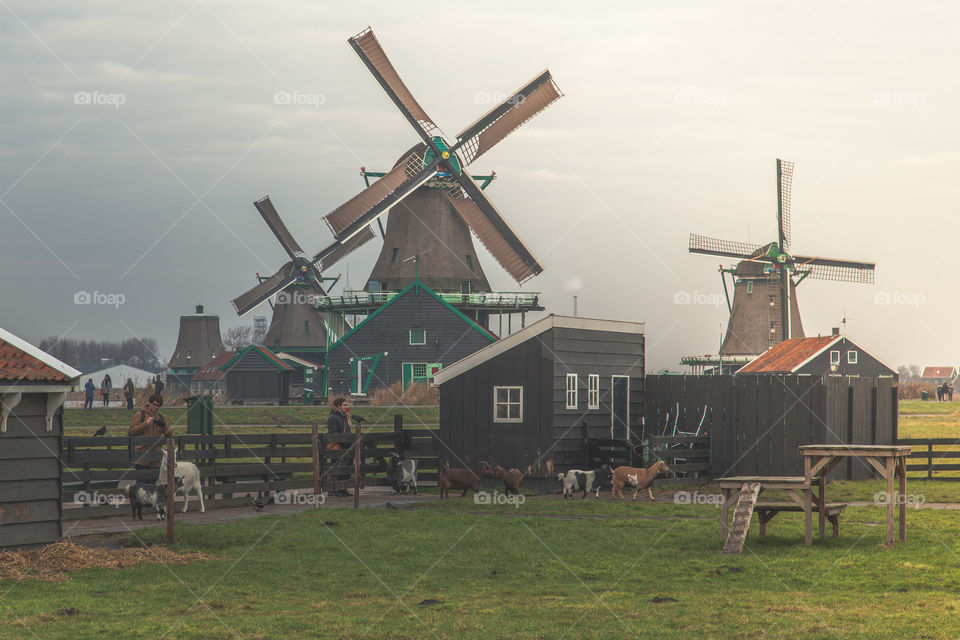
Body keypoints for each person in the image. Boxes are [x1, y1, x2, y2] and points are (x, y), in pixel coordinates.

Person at [129, 393, 173, 472]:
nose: (156, 407)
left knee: (154, 481)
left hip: (156, 456)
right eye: (154, 404)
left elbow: (169, 433)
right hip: (141, 456)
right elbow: (132, 431)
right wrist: (146, 423)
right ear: (149, 403)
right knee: (142, 482)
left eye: (158, 406)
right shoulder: (140, 415)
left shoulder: (161, 417)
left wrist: (163, 425)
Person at [326, 397, 352, 497]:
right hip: (337, 447)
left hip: (345, 446)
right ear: (338, 406)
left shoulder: (344, 417)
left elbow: (348, 431)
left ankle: (342, 489)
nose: (347, 407)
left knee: (345, 469)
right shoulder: (332, 417)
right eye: (344, 405)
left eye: (347, 405)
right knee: (336, 468)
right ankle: (333, 490)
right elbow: (334, 434)